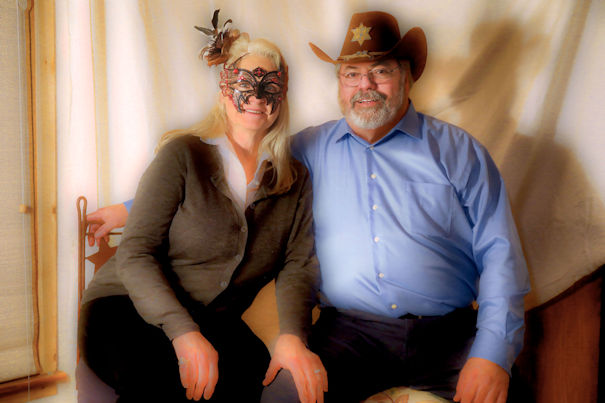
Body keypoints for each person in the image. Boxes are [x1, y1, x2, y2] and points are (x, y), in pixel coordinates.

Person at [88, 11, 530, 403]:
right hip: (351, 334)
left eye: (380, 71)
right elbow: (221, 172)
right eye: (352, 73)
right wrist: (132, 208)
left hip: (448, 334)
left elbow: (500, 253)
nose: (365, 86)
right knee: (279, 395)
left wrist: (492, 354)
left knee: (514, 394)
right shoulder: (309, 150)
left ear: (407, 77)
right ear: (339, 83)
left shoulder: (458, 152)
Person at [78, 12, 327, 403]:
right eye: (244, 84)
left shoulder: (294, 179)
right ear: (224, 90)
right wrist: (184, 333)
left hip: (213, 318)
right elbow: (136, 252)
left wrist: (293, 335)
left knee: (252, 376)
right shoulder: (183, 154)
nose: (257, 98)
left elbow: (299, 265)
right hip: (125, 305)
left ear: (282, 97)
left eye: (270, 86)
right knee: (162, 380)